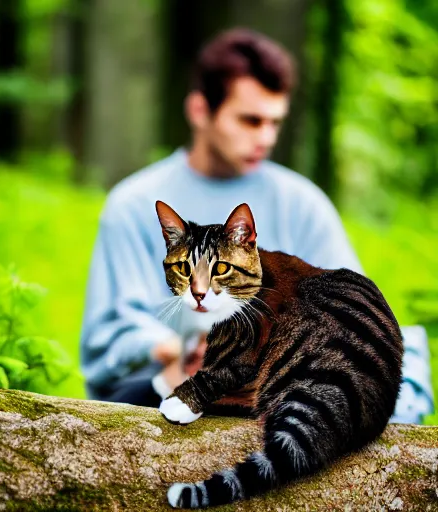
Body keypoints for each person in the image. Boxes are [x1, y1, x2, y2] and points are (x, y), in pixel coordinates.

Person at [80, 28, 434, 423]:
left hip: (279, 388)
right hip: (164, 390)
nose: (266, 137)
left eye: (274, 122)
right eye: (250, 120)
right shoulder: (133, 204)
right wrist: (181, 349)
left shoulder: (302, 203)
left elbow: (353, 324)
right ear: (200, 111)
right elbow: (108, 340)